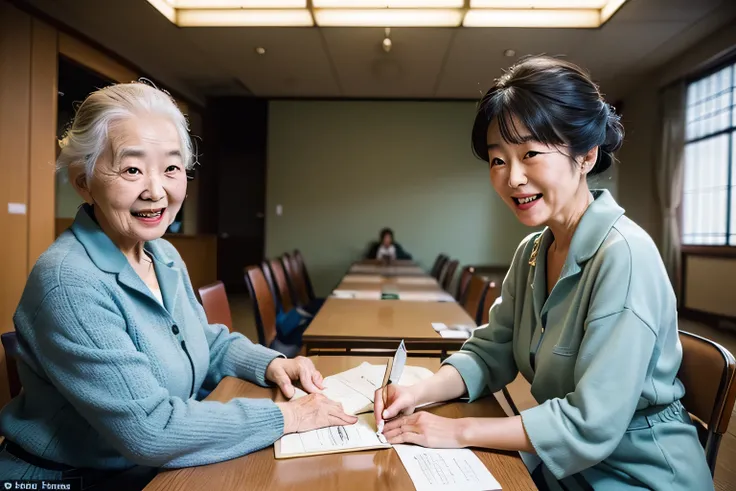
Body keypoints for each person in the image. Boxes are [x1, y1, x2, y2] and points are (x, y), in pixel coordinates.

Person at [373, 56, 713, 490]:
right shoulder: (534, 251)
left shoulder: (625, 257)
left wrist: (458, 432)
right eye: (498, 160)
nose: (513, 177)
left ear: (587, 155)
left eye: (530, 153)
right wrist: (418, 392)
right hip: (560, 465)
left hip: (636, 473)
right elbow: (489, 352)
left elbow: (592, 423)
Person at [0, 82, 357, 489]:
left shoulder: (162, 255)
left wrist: (273, 363)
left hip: (148, 468)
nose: (156, 191)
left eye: (171, 168)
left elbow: (203, 342)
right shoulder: (69, 282)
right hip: (72, 479)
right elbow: (150, 430)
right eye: (132, 169)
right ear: (84, 182)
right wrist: (289, 417)